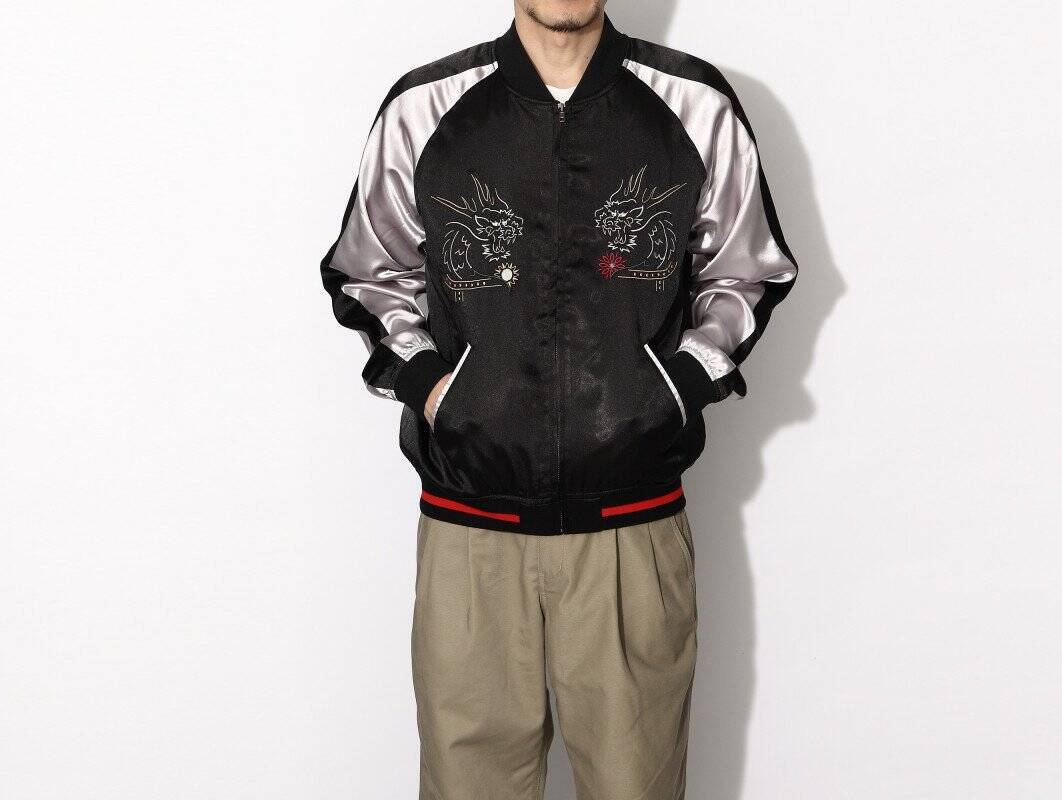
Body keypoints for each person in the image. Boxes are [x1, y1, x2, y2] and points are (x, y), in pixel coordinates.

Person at [319, 1, 797, 797]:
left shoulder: (694, 104)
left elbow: (745, 271)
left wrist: (671, 391)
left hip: (631, 534)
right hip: (470, 535)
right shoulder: (424, 108)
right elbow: (370, 273)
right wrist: (434, 390)